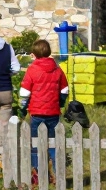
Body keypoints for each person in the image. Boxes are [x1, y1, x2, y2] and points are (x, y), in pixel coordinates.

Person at [20, 39, 69, 172]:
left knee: (35, 143)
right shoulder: (57, 69)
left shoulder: (32, 70)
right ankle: (57, 171)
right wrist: (61, 102)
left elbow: (25, 92)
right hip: (53, 111)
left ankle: (37, 172)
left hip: (36, 112)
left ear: (34, 54)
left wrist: (22, 109)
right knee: (54, 142)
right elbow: (64, 90)